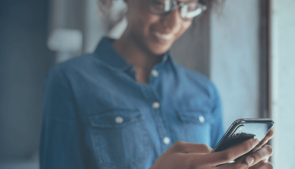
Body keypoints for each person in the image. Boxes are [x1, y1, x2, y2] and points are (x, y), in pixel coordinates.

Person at [40, 0, 274, 168]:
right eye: (161, 4)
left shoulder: (204, 91)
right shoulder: (69, 80)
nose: (173, 23)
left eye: (188, 8)